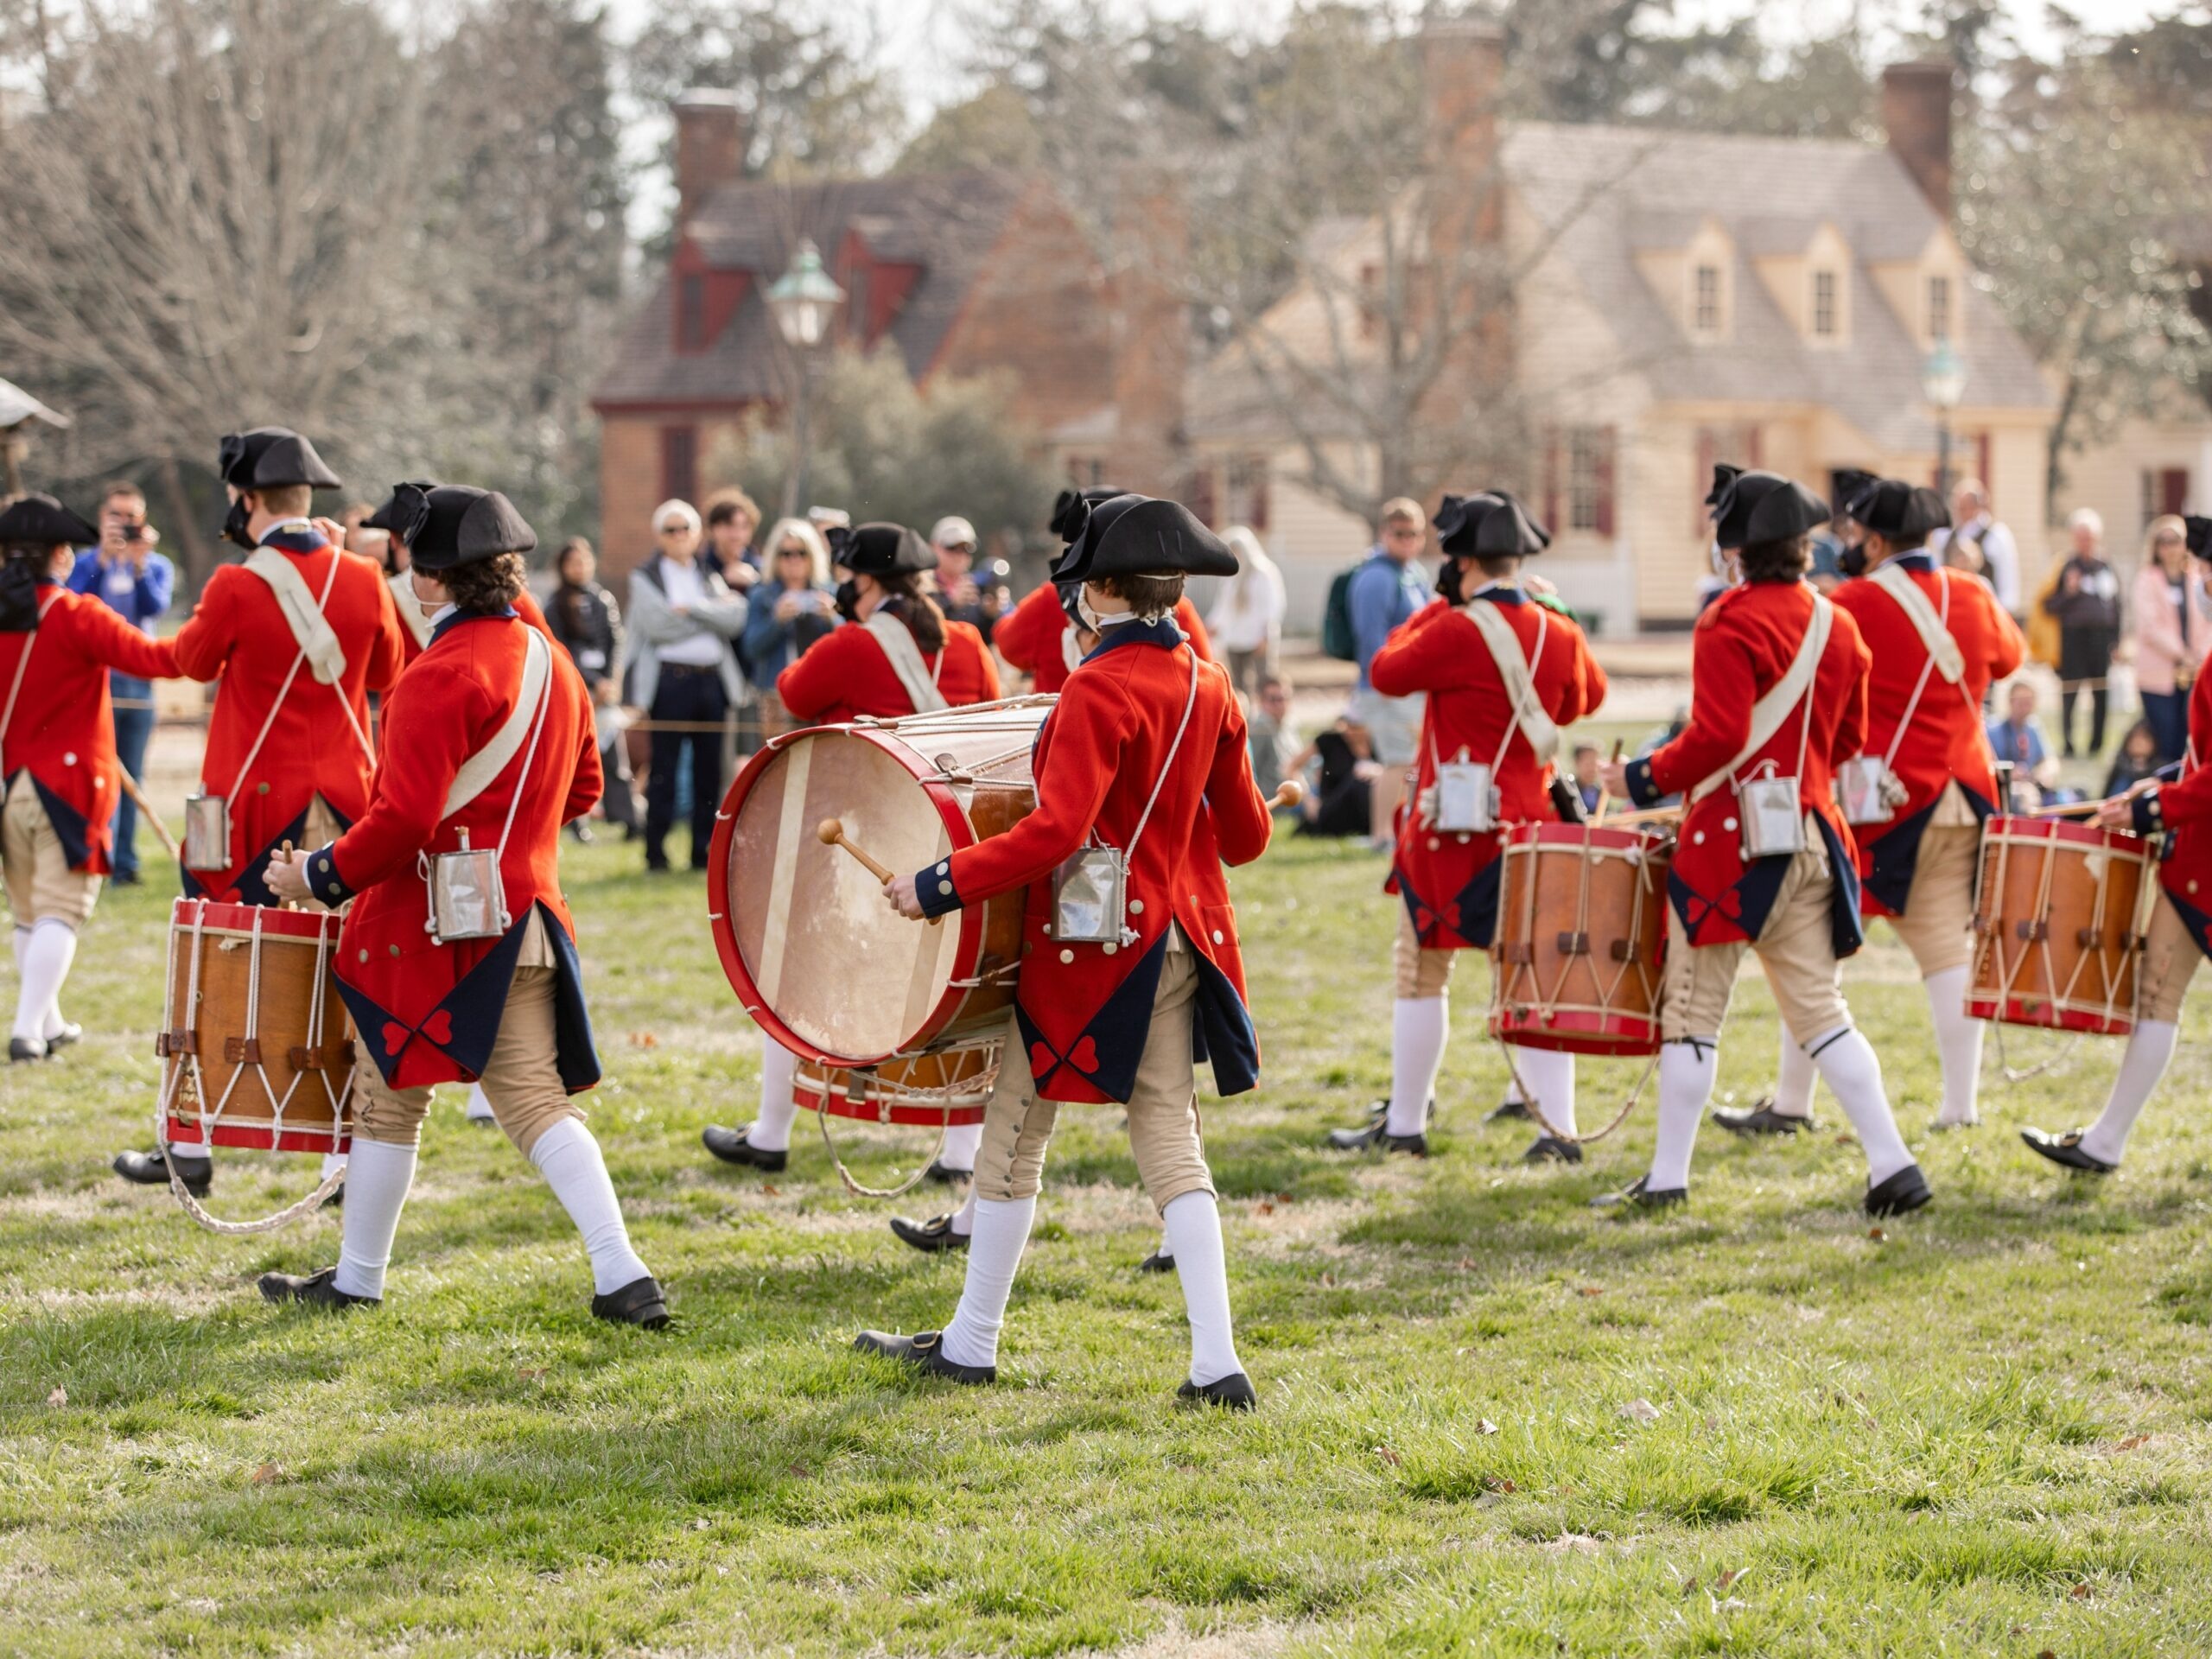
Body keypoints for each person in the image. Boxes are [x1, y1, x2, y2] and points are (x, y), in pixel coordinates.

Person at [856, 493, 1272, 1408]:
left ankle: (971, 1345)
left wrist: (938, 883)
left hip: (1090, 950)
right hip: (1174, 938)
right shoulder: (1210, 683)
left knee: (1010, 1139)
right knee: (1171, 1143)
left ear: (1103, 590)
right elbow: (1244, 841)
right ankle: (1216, 1364)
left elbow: (1055, 832)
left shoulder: (1097, 686)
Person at [258, 484, 665, 1326]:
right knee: (534, 1103)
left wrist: (320, 874)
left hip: (429, 928)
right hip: (526, 918)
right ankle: (621, 1272)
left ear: (432, 578)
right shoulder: (552, 663)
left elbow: (403, 818)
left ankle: (359, 1280)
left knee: (387, 1097)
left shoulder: (434, 677)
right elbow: (585, 790)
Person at [1600, 467, 1929, 1218]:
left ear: (1736, 550)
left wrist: (1642, 776)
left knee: (1691, 1011)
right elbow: (1848, 738)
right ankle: (1892, 1162)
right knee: (1822, 1012)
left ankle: (1668, 1178)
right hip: (1812, 831)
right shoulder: (1838, 622)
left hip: (1729, 844)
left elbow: (1719, 735)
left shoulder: (1728, 619)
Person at [111, 428, 408, 1197]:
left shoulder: (236, 584)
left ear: (247, 502)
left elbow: (191, 662)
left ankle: (190, 1145)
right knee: (349, 972)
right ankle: (348, 1155)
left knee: (212, 968)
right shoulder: (363, 578)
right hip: (346, 803)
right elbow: (385, 673)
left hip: (254, 807)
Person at [702, 522, 1000, 1192]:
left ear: (863, 583)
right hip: (951, 845)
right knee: (957, 986)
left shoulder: (851, 643)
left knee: (787, 967)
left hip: (862, 846)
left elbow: (795, 691)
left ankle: (772, 1133)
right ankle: (959, 1155)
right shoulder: (969, 643)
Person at [1723, 475, 2022, 1138]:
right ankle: (1960, 1106)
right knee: (1948, 955)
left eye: (1857, 535)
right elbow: (2010, 659)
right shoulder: (1971, 592)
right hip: (1964, 793)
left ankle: (1793, 1103)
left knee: (1810, 957)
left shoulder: (1850, 601)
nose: (1850, 545)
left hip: (1878, 802)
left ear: (1878, 540)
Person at [1325, 492, 1606, 1164]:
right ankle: (1556, 1128)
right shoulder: (1555, 628)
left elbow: (1388, 669)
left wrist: (1438, 606)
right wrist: (1559, 611)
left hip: (1455, 833)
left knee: (1422, 970)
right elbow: (1587, 697)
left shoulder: (1453, 627)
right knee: (1532, 977)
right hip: (1530, 826)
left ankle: (1406, 1124)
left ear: (1464, 562)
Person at [2024, 514, 2212, 1174]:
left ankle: (2106, 1141)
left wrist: (2158, 805)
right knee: (2157, 994)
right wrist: (2145, 793)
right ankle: (2106, 1141)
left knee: (2159, 996)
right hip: (2196, 859)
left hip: (2204, 861)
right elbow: (2200, 760)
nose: (2203, 580)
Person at [0, 493, 182, 1061]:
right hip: (70, 786)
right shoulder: (77, 615)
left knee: (29, 910)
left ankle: (49, 1021)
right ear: (60, 556)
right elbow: (158, 660)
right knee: (62, 909)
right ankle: (29, 1029)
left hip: (11, 785)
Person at [626, 499, 749, 873]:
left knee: (710, 772)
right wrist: (710, 613)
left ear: (697, 534)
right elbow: (658, 625)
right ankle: (656, 853)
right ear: (659, 536)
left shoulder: (706, 574)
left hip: (712, 683)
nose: (680, 536)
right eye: (671, 530)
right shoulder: (645, 576)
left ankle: (702, 851)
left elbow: (736, 618)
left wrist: (691, 609)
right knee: (663, 769)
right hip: (671, 682)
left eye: (686, 529)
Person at [66, 480, 173, 886]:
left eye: (132, 517)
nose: (124, 524)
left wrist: (139, 564)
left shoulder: (157, 564)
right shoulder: (83, 561)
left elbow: (155, 607)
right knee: (97, 776)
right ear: (101, 518)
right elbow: (73, 604)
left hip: (140, 684)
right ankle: (100, 855)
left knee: (134, 776)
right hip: (94, 683)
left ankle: (125, 864)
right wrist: (103, 561)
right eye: (116, 516)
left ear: (143, 521)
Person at [1346, 499, 1432, 847]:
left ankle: (1393, 830)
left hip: (1408, 685)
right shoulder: (1377, 577)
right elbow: (1370, 639)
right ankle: (1382, 835)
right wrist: (1385, 682)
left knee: (1406, 761)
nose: (1408, 541)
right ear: (1384, 533)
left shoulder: (1413, 574)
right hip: (1385, 686)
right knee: (1398, 761)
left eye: (1414, 534)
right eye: (1400, 534)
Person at [545, 538, 638, 841]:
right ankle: (575, 823)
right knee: (573, 759)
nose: (580, 567)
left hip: (605, 694)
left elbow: (616, 643)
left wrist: (609, 681)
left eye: (584, 560)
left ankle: (627, 818)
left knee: (614, 757)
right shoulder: (554, 605)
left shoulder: (603, 600)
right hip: (576, 691)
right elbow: (560, 648)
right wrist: (590, 683)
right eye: (573, 562)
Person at [739, 517, 836, 736]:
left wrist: (833, 618)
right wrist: (777, 620)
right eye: (786, 554)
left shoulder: (830, 593)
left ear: (813, 556)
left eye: (802, 553)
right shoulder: (761, 596)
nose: (794, 560)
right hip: (775, 695)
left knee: (820, 762)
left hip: (818, 693)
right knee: (778, 765)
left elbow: (848, 644)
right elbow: (751, 649)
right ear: (775, 557)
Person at [2044, 509, 2122, 759]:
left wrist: (2116, 640)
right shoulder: (2066, 566)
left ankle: (2096, 744)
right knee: (2070, 692)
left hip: (2100, 639)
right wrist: (2069, 591)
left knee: (2101, 692)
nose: (2085, 542)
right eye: (2080, 537)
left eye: (2089, 537)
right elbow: (2049, 606)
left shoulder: (2105, 565)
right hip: (2074, 638)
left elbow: (2117, 605)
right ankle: (2068, 743)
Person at [2130, 514, 2206, 765]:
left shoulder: (2197, 578)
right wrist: (2181, 654)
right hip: (2159, 675)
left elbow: (2207, 622)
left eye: (2175, 540)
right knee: (2166, 742)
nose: (2170, 547)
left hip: (2194, 671)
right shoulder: (2146, 580)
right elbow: (2150, 627)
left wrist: (2197, 658)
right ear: (2155, 547)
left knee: (2191, 739)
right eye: (2163, 541)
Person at [1207, 525, 1286, 700]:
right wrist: (1213, 624)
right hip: (1235, 637)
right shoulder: (1232, 576)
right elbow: (1223, 605)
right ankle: (1245, 717)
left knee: (1263, 680)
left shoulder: (1263, 573)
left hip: (1256, 637)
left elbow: (1273, 606)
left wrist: (1267, 634)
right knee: (1239, 684)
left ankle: (1265, 713)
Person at [1929, 478, 2021, 619]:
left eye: (1963, 506)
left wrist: (2002, 616)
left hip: (1984, 613)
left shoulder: (1996, 535)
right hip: (1952, 612)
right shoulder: (1945, 536)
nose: (1958, 511)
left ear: (1977, 506)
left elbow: (2008, 583)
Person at [930, 516, 1007, 644]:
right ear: (933, 547)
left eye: (967, 549)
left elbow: (981, 642)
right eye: (952, 548)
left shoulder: (977, 586)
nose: (959, 555)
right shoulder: (918, 584)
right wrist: (950, 604)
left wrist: (990, 615)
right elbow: (920, 631)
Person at [1986, 678, 2058, 808]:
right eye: (2021, 703)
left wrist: (2043, 773)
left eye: (2028, 703)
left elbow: (2049, 760)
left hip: (2031, 786)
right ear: (2010, 701)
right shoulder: (1992, 729)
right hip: (2006, 790)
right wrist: (2008, 774)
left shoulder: (2033, 728)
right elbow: (1985, 765)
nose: (2025, 708)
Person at [1248, 675, 1298, 804]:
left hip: (1295, 789)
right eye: (1273, 699)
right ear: (1261, 701)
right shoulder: (1259, 731)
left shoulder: (1287, 725)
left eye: (1282, 699)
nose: (1279, 704)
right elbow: (1250, 775)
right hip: (1277, 797)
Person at [704, 490, 761, 592]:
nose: (737, 534)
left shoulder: (761, 568)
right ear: (713, 528)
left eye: (744, 526)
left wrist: (753, 582)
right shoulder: (700, 569)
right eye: (730, 525)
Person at [2105, 720, 2161, 797]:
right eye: (2135, 739)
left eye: (2144, 739)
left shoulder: (2160, 767)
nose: (2139, 743)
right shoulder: (2122, 764)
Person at [1572, 741, 1605, 815]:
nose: (1592, 769)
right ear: (1576, 763)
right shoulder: (1570, 790)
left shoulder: (1600, 791)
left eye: (1595, 764)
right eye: (1587, 764)